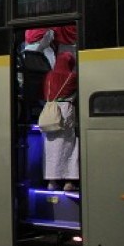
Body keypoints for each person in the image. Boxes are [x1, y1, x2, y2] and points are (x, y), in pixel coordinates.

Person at [42, 52, 79, 192]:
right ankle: (68, 182)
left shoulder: (49, 76)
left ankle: (51, 182)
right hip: (65, 110)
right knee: (69, 146)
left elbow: (44, 92)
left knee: (51, 147)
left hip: (50, 109)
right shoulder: (73, 76)